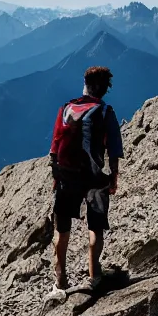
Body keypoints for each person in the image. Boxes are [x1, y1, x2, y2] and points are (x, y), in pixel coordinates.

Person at [49, 66, 124, 290]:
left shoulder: (66, 108)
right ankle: (95, 276)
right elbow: (114, 149)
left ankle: (60, 281)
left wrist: (56, 175)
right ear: (104, 90)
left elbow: (54, 146)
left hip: (66, 177)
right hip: (93, 178)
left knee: (61, 230)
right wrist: (113, 178)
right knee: (95, 227)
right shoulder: (105, 112)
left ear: (86, 85)